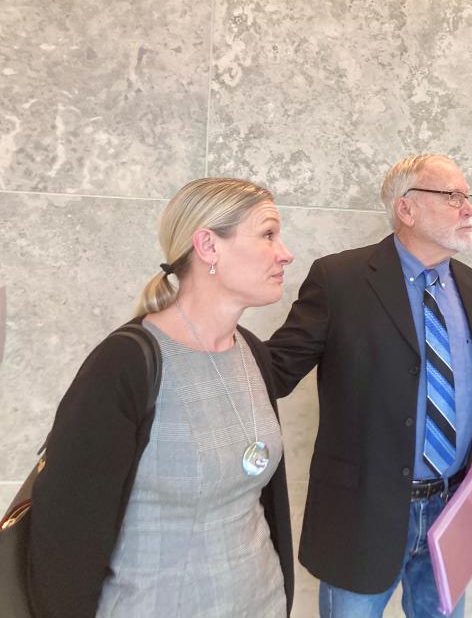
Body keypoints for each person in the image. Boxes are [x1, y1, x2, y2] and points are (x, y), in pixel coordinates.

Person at [28, 177, 296, 618]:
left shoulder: (251, 350)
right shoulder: (126, 363)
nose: (284, 252)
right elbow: (64, 534)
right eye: (267, 234)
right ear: (208, 245)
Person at [267, 154, 472, 618]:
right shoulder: (339, 281)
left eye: (468, 196)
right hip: (363, 515)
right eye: (453, 196)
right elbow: (276, 370)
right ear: (407, 209)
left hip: (451, 509)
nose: (469, 208)